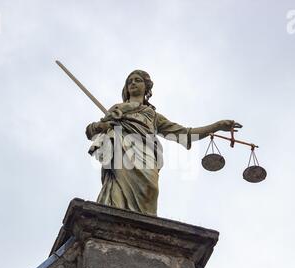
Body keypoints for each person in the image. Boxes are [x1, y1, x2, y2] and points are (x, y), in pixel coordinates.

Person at [86, 70, 242, 216]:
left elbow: (184, 134)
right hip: (121, 151)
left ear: (146, 87)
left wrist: (217, 126)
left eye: (138, 80)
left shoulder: (154, 116)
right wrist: (99, 126)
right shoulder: (117, 108)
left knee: (150, 189)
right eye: (130, 81)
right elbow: (93, 131)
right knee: (116, 192)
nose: (133, 83)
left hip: (146, 155)